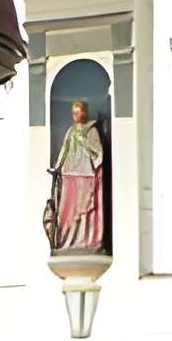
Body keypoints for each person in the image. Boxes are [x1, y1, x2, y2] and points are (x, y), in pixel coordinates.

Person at [49, 100, 105, 253]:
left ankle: (85, 240)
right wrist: (57, 168)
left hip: (85, 174)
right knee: (67, 210)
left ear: (84, 112)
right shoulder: (71, 131)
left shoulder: (91, 131)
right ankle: (67, 240)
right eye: (73, 112)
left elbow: (99, 153)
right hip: (69, 175)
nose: (75, 115)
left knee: (84, 208)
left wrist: (85, 142)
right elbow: (64, 150)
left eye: (78, 111)